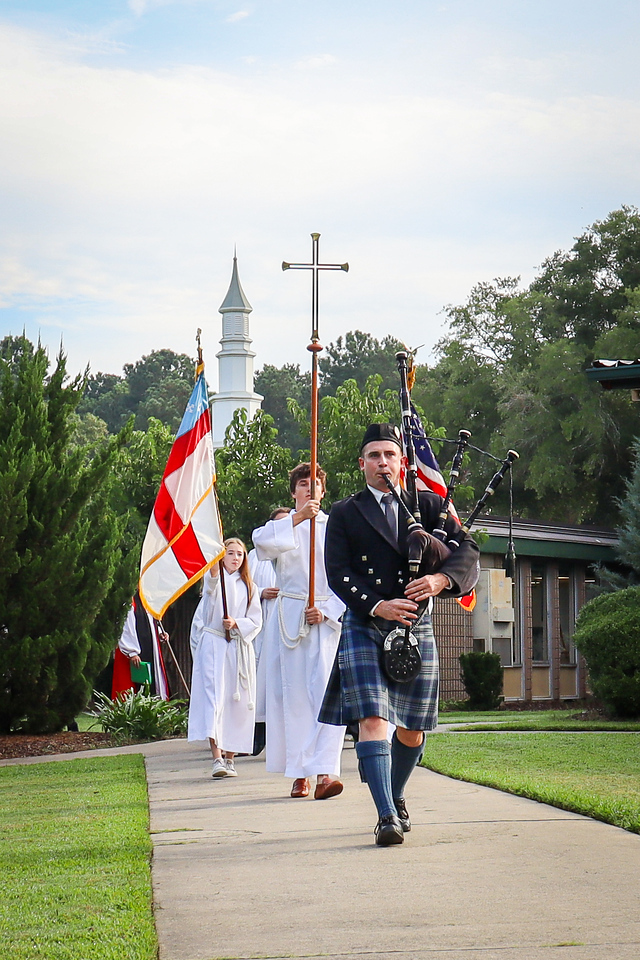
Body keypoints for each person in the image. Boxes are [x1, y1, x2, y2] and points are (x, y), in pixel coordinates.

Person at [320, 423, 479, 845]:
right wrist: (377, 604)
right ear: (362, 465)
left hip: (415, 625)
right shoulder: (345, 512)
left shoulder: (429, 506)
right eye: (373, 456)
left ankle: (397, 792)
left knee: (411, 729)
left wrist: (440, 582)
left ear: (402, 462)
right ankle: (387, 815)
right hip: (366, 623)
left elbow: (468, 552)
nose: (382, 463)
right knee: (373, 719)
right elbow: (337, 573)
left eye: (389, 455)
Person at [253, 464, 346, 800]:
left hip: (323, 615)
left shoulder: (334, 527)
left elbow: (345, 576)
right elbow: (260, 544)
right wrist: (296, 519)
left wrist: (328, 611)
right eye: (304, 484)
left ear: (323, 490)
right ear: (293, 491)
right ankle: (300, 773)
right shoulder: (281, 526)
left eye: (316, 484)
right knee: (292, 697)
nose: (310, 490)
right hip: (290, 615)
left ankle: (326, 772)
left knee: (325, 693)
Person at [188, 538, 262, 778]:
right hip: (214, 645)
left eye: (239, 554)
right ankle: (217, 757)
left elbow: (255, 621)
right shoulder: (215, 581)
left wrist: (237, 624)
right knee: (214, 699)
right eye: (230, 553)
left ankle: (231, 757)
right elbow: (210, 581)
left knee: (236, 702)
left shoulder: (250, 587)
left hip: (237, 647)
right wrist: (213, 557)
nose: (235, 558)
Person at [248, 507, 292, 756]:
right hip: (263, 621)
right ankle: (258, 731)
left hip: (295, 620)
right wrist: (261, 593)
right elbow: (243, 586)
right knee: (263, 680)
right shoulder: (256, 556)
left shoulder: (301, 548)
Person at [112, 590, 170, 700]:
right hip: (133, 651)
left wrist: (160, 633)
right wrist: (132, 652)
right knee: (132, 686)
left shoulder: (146, 600)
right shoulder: (128, 600)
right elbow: (125, 626)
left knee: (151, 680)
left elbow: (149, 622)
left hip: (149, 647)